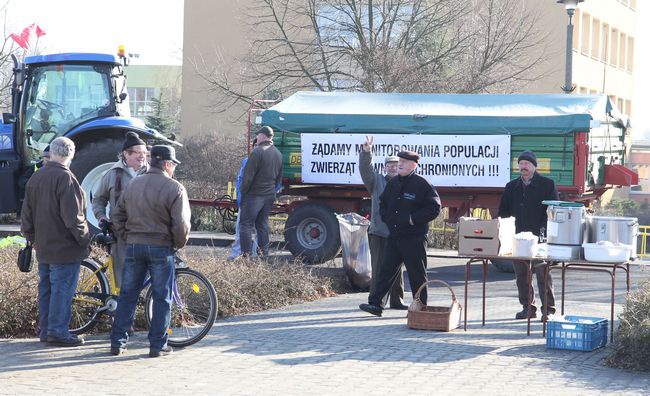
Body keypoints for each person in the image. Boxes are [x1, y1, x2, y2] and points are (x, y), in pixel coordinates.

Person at [109, 145, 191, 358]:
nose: (174, 168)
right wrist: (176, 244)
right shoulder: (175, 188)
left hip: (134, 246)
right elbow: (181, 225)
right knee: (162, 297)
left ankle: (118, 342)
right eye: (173, 164)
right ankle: (157, 345)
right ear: (166, 164)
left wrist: (128, 236)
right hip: (161, 248)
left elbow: (117, 215)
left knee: (127, 294)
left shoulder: (134, 184)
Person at [21, 137, 90, 347]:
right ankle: (58, 331)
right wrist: (85, 240)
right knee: (62, 290)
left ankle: (46, 330)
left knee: (47, 290)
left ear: (51, 153)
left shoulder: (36, 177)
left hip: (44, 245)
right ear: (71, 154)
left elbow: (26, 215)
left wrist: (32, 239)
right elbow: (73, 218)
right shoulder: (66, 179)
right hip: (65, 247)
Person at [359, 151, 441, 317]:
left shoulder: (422, 184)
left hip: (414, 238)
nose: (400, 164)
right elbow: (383, 203)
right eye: (399, 161)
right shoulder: (394, 182)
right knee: (386, 270)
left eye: (403, 161)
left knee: (416, 274)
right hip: (395, 236)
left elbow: (434, 208)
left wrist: (412, 219)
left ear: (413, 164)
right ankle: (376, 305)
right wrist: (386, 218)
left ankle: (421, 308)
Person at [498, 150, 558, 320]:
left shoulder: (547, 184)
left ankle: (549, 310)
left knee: (542, 275)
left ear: (534, 166)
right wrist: (505, 232)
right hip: (518, 239)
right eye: (521, 164)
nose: (523, 167)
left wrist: (544, 233)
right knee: (522, 276)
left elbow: (553, 212)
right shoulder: (511, 186)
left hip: (539, 239)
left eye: (527, 164)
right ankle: (527, 308)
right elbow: (503, 211)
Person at [92, 131, 148, 290]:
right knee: (123, 281)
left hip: (147, 234)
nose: (142, 156)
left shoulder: (153, 174)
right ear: (125, 154)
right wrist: (101, 217)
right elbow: (98, 199)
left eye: (144, 153)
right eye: (137, 152)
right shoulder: (111, 175)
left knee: (146, 280)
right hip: (121, 236)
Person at [359, 136, 406, 310]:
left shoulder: (405, 183)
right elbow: (365, 170)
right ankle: (375, 300)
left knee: (397, 268)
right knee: (378, 267)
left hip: (398, 233)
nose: (393, 168)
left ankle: (397, 300)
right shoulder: (376, 181)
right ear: (385, 167)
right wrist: (366, 152)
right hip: (379, 232)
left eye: (396, 165)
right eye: (390, 165)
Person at [239, 126, 283, 258]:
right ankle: (263, 256)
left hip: (254, 195)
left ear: (263, 136)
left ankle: (246, 257)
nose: (257, 138)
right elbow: (279, 178)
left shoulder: (257, 152)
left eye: (258, 136)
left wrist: (243, 193)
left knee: (245, 225)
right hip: (269, 195)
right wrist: (272, 192)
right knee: (262, 225)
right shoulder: (278, 154)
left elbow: (248, 176)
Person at [229, 138, 259, 260]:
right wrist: (240, 197)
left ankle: (255, 255)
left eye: (259, 145)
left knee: (259, 229)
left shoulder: (267, 163)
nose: (257, 147)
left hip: (260, 201)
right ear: (253, 147)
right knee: (240, 228)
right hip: (246, 201)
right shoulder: (246, 161)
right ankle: (236, 254)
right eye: (255, 145)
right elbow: (240, 180)